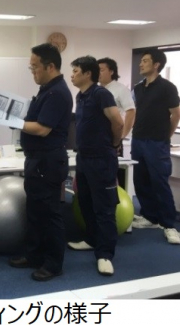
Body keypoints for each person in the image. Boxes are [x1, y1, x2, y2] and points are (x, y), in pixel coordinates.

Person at [8, 43, 72, 282]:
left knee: (50, 213)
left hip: (48, 161)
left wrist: (13, 122)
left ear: (50, 66)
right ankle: (34, 255)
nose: (32, 72)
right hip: (37, 160)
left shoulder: (57, 93)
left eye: (35, 67)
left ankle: (54, 264)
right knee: (35, 211)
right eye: (31, 67)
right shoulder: (47, 90)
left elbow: (43, 129)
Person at [68, 56, 124, 276]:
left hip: (102, 159)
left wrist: (115, 144)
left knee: (104, 209)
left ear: (88, 74)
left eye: (76, 71)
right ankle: (91, 240)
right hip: (84, 158)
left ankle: (105, 254)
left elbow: (118, 122)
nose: (72, 75)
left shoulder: (101, 94)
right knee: (86, 202)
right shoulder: (80, 96)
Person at [130, 50, 180, 244]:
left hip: (157, 142)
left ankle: (169, 225)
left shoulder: (167, 87)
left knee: (159, 182)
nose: (140, 64)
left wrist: (166, 136)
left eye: (145, 61)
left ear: (156, 64)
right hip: (138, 139)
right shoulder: (138, 88)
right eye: (141, 60)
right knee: (140, 180)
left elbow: (176, 114)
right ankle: (149, 217)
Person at [97, 57, 136, 149]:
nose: (98, 73)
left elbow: (131, 112)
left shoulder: (121, 89)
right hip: (98, 136)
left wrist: (122, 136)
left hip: (113, 137)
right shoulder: (96, 90)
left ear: (111, 72)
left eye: (101, 70)